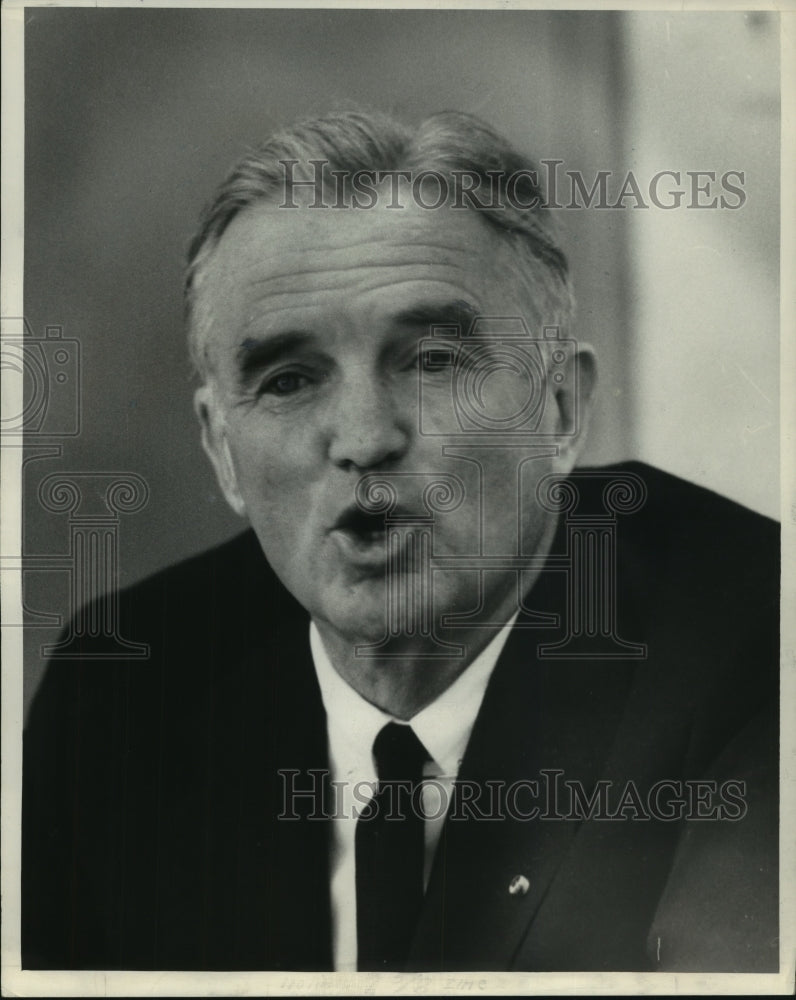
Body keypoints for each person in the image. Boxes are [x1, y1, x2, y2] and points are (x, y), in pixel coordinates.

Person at [22, 109, 779, 974]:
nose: (364, 438)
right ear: (223, 452)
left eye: (432, 361)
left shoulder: (756, 642)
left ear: (560, 410)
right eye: (289, 380)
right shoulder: (120, 696)